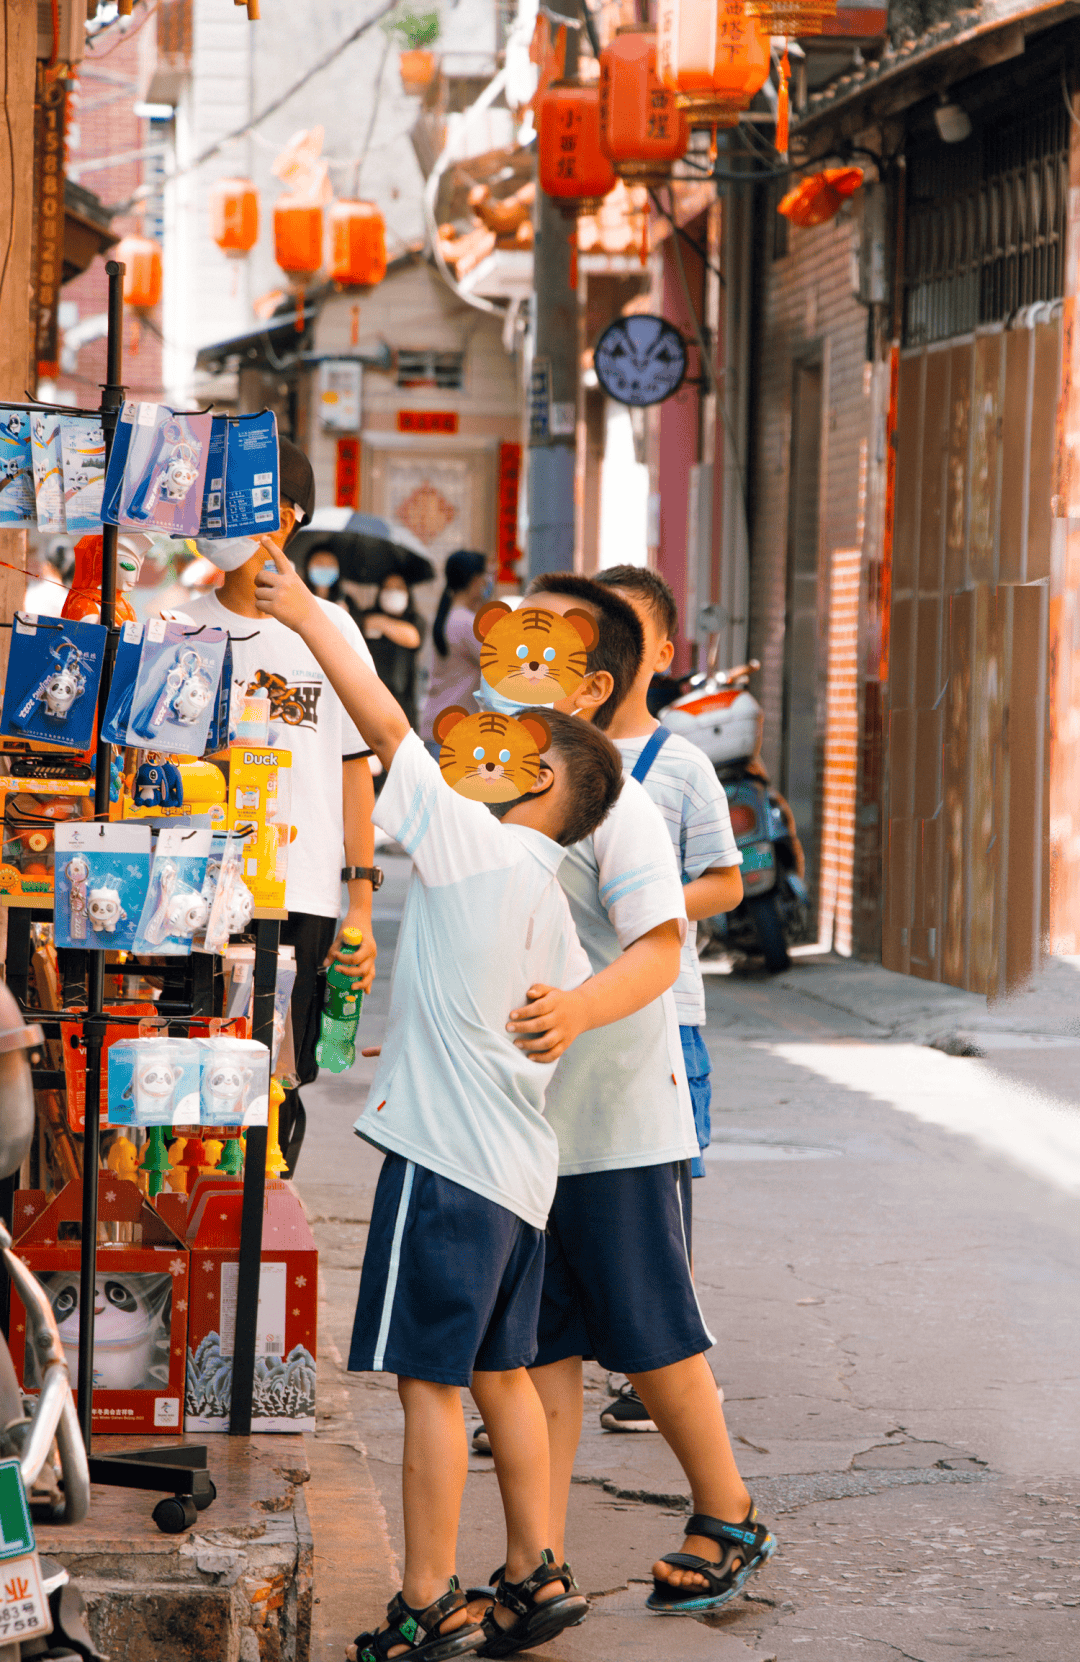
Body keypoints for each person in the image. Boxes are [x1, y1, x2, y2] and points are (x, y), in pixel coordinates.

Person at [252, 544, 681, 1662]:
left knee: (431, 1390)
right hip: (517, 1178)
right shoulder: (545, 897)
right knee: (503, 1375)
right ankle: (535, 1571)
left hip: (445, 1171)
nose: (475, 752)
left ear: (534, 782)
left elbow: (387, 725)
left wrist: (304, 607)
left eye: (501, 752)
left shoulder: (474, 848)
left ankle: (428, 1597)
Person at [503, 572, 776, 1617]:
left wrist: (574, 1010)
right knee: (544, 1342)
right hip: (532, 1112)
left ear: (591, 684)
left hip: (615, 1106)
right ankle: (538, 1560)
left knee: (649, 1327)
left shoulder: (618, 798)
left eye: (540, 650)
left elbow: (660, 952)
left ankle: (728, 1509)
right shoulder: (508, 782)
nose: (511, 666)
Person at [182, 439, 381, 1174]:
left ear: (288, 518)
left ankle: (263, 1225)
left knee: (276, 1087)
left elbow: (356, 770)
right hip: (195, 896)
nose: (219, 516)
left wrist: (360, 905)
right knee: (194, 1071)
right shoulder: (179, 627)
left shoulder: (329, 632)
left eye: (239, 501)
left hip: (299, 895)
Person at [593, 565, 743, 1431]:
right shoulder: (546, 749)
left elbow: (725, 882)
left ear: (660, 651)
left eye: (627, 631)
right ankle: (530, 1378)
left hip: (664, 1012)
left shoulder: (683, 763)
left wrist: (653, 901)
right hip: (567, 1006)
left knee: (662, 1190)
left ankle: (665, 1373)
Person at [418, 550, 490, 750]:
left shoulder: (447, 617)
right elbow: (500, 664)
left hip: (434, 726)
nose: (487, 583)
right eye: (485, 577)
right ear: (475, 580)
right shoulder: (467, 623)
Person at [360, 572, 425, 731]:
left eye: (398, 588)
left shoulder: (415, 620)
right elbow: (364, 624)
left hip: (403, 704)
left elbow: (412, 637)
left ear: (407, 593)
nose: (392, 592)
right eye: (387, 588)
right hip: (369, 702)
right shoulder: (366, 615)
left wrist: (381, 623)